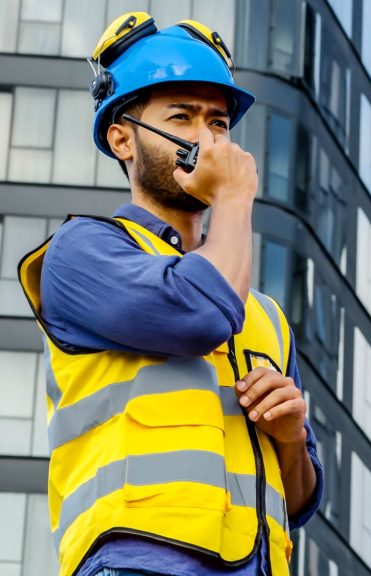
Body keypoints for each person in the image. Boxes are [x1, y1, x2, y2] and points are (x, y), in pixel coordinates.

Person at [17, 13, 322, 576]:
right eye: (180, 117)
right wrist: (233, 199)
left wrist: (291, 438)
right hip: (137, 564)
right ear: (122, 138)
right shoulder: (81, 251)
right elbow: (198, 314)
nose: (206, 139)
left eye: (219, 123)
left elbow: (301, 501)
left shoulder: (268, 317)